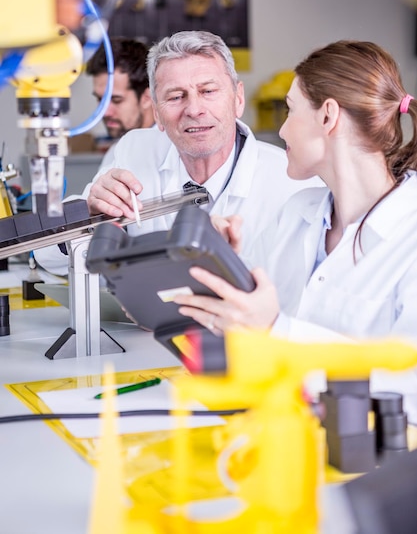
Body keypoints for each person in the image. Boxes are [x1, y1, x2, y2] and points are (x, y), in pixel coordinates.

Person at [171, 40, 417, 421]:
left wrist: (275, 329)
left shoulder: (410, 234)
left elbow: (410, 390)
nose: (282, 129)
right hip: (279, 438)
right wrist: (226, 270)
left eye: (290, 110)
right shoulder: (297, 213)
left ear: (327, 116)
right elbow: (244, 330)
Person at [34, 30, 319, 275]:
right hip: (142, 336)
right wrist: (89, 216)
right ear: (156, 112)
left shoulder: (294, 182)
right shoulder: (135, 150)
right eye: (175, 96)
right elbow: (47, 257)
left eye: (208, 91)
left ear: (238, 99)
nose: (194, 109)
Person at [86, 36, 154, 168]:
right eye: (100, 99)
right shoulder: (114, 155)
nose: (104, 111)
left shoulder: (175, 152)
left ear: (147, 97)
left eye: (116, 100)